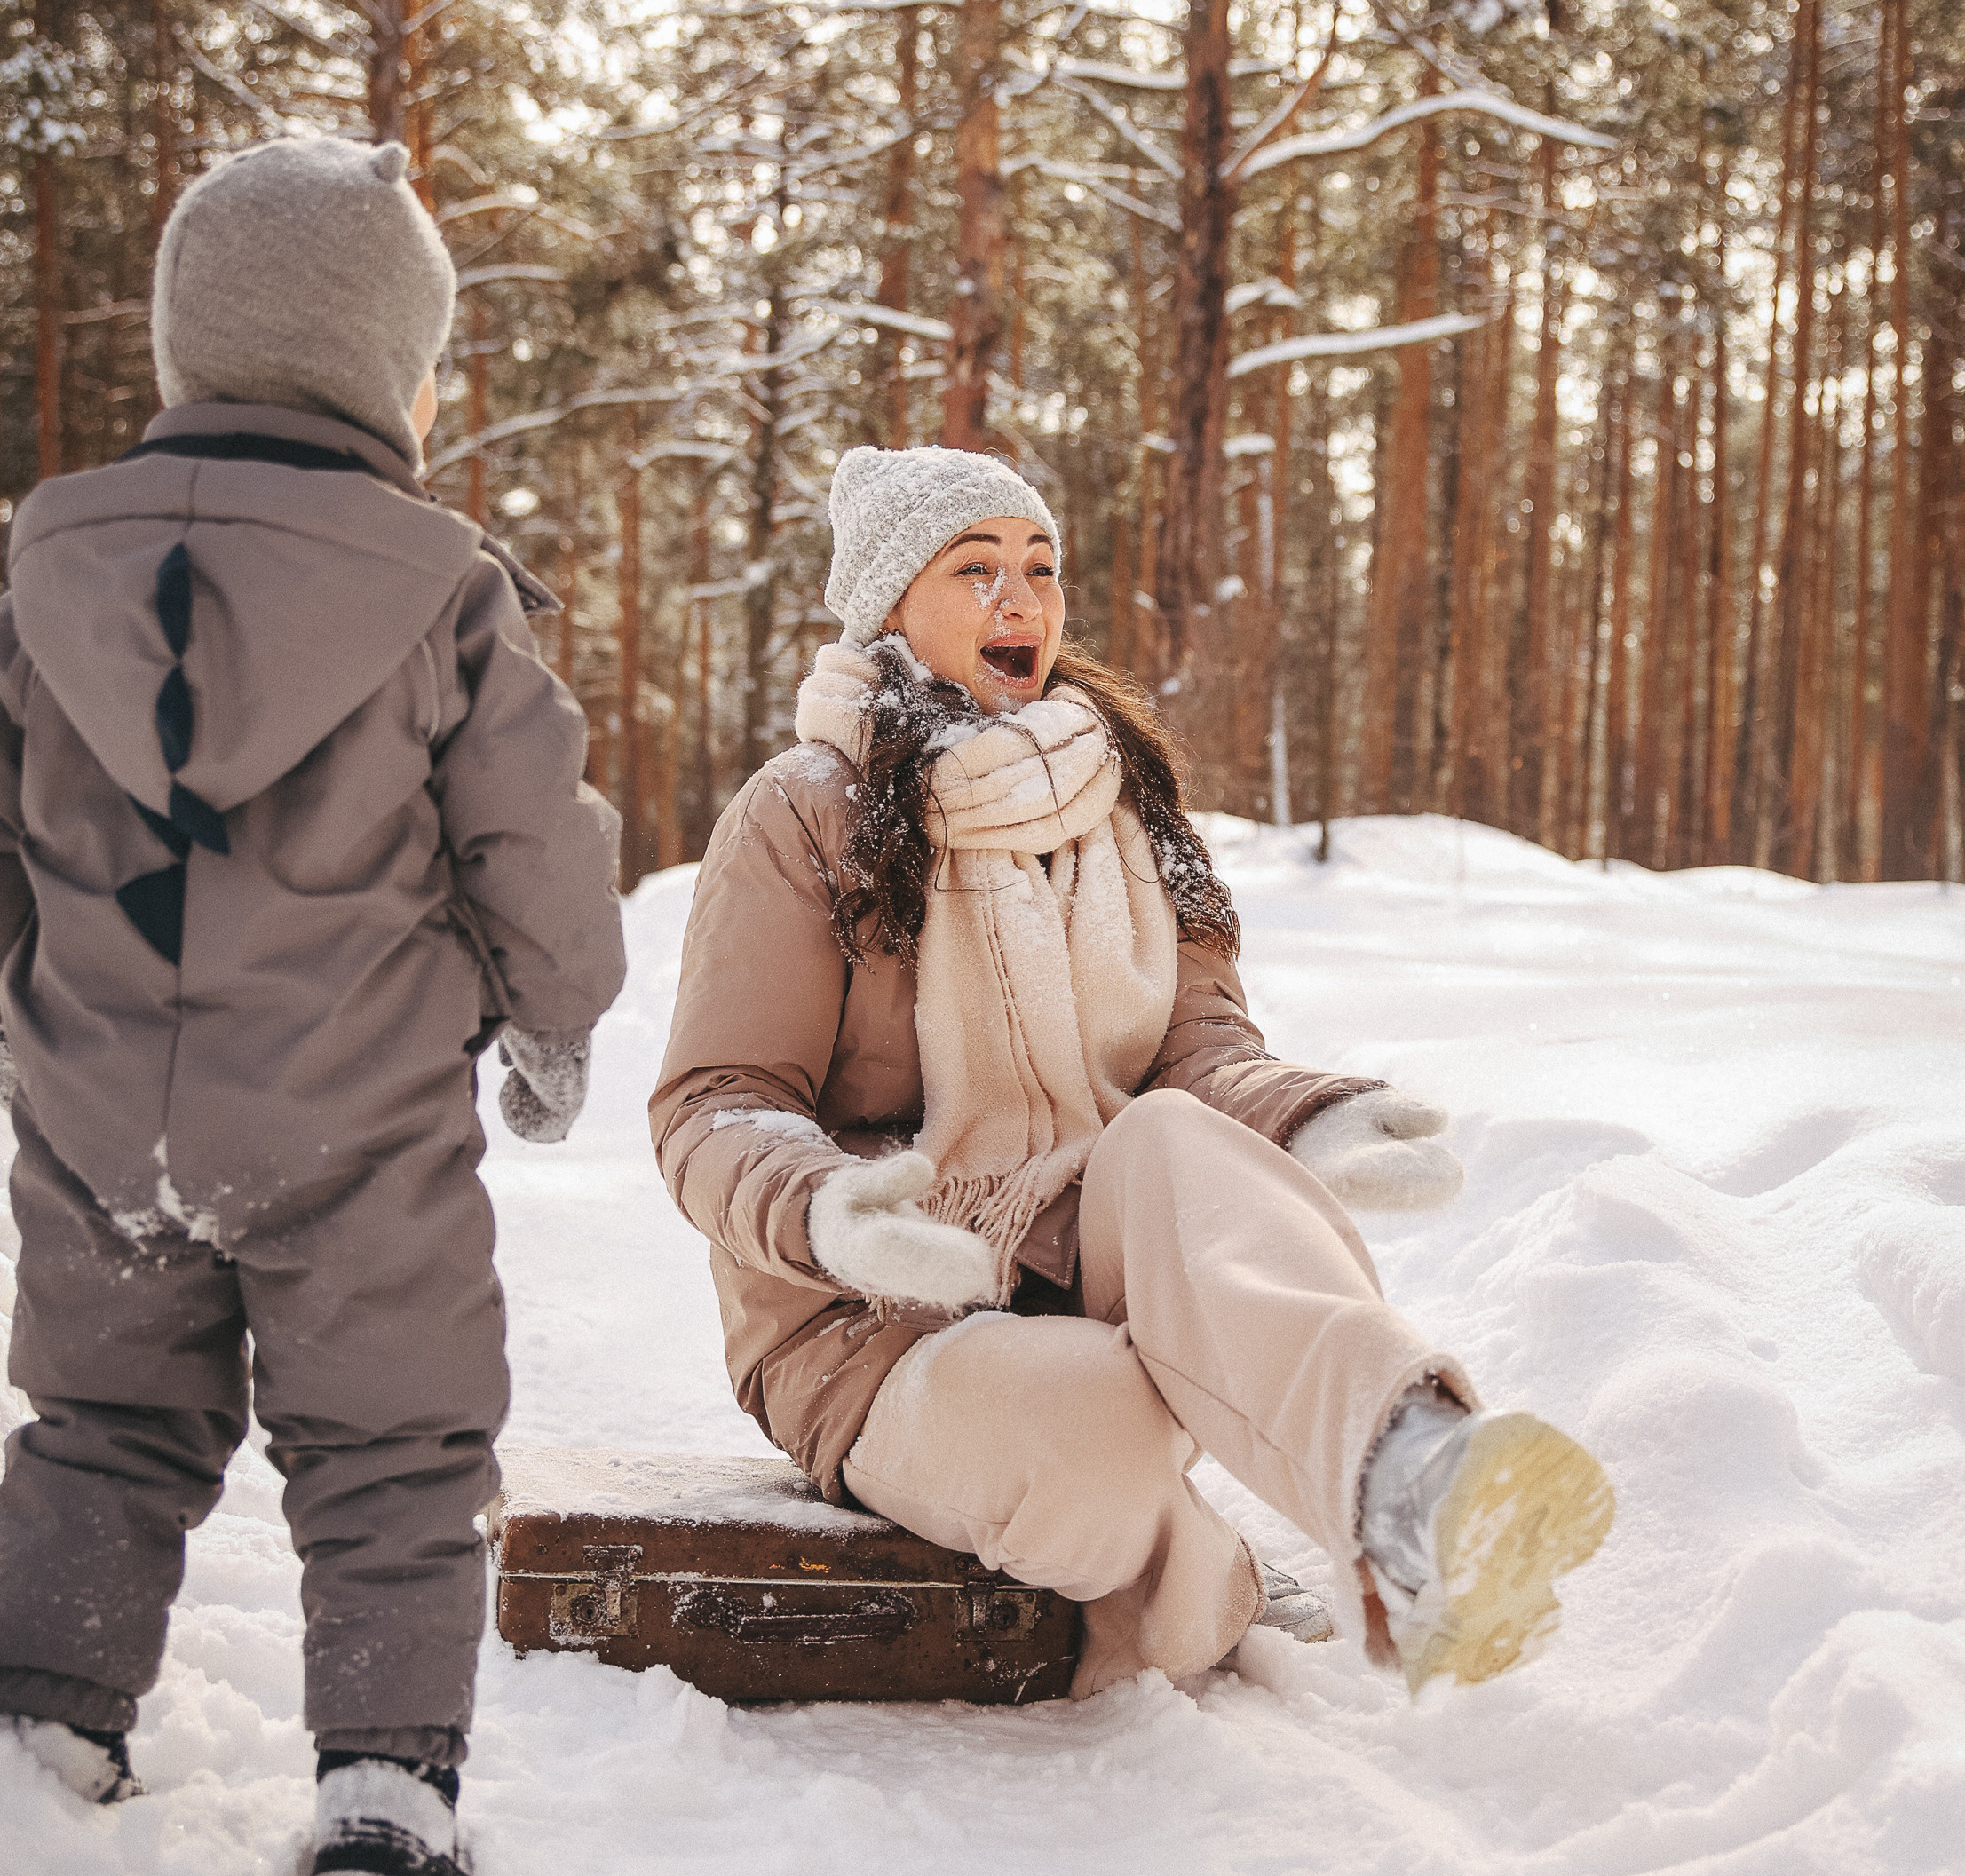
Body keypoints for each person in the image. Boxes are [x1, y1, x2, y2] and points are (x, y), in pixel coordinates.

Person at [0, 136, 626, 1876]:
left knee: (99, 1417)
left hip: (104, 1119)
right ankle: (386, 1782)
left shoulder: (39, 592)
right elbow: (527, 834)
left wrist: (0, 1009)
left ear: (186, 339)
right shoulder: (440, 596)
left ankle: (45, 1714)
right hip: (359, 1114)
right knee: (390, 1439)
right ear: (391, 362)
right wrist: (554, 1013)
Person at [652, 441, 1612, 1703]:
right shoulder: (805, 812)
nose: (1022, 603)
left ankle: (1414, 1489)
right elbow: (713, 1103)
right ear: (890, 603)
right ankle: (1206, 1584)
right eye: (976, 569)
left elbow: (1197, 1057)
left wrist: (1312, 1122)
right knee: (1093, 1425)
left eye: (1040, 569)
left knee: (1168, 1140)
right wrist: (832, 1210)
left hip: (1079, 1258)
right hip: (871, 1325)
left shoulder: (1124, 803)